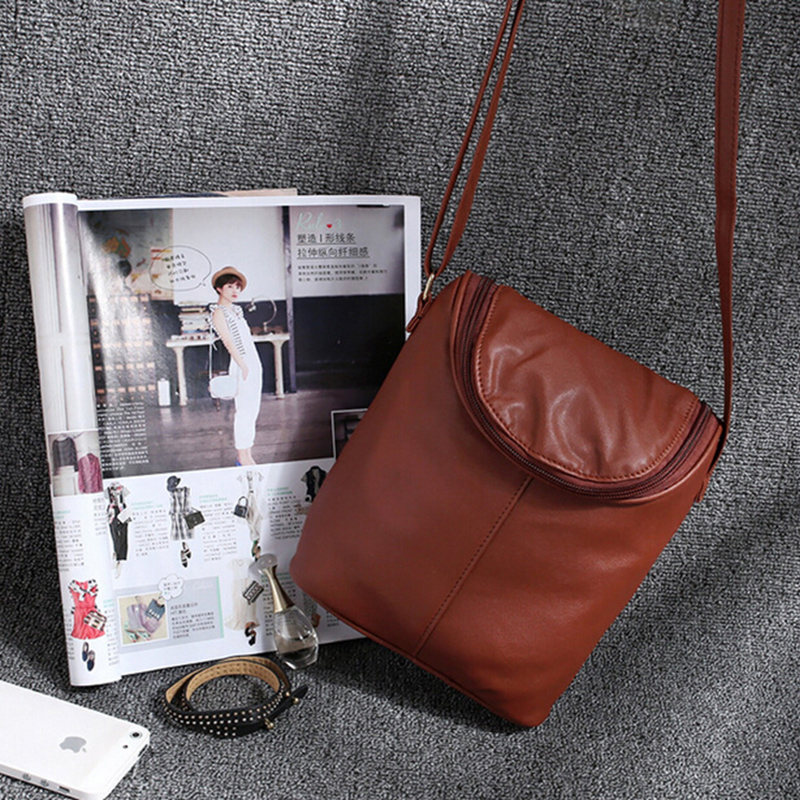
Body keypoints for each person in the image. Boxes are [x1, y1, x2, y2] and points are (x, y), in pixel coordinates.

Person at [210, 267, 263, 465]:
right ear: (219, 288)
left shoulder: (236, 311)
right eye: (230, 286)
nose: (235, 291)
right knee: (244, 410)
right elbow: (228, 342)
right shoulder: (218, 312)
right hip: (242, 364)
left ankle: (248, 453)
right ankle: (242, 455)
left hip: (252, 362)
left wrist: (252, 365)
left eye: (237, 287)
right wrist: (243, 366)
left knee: (252, 410)